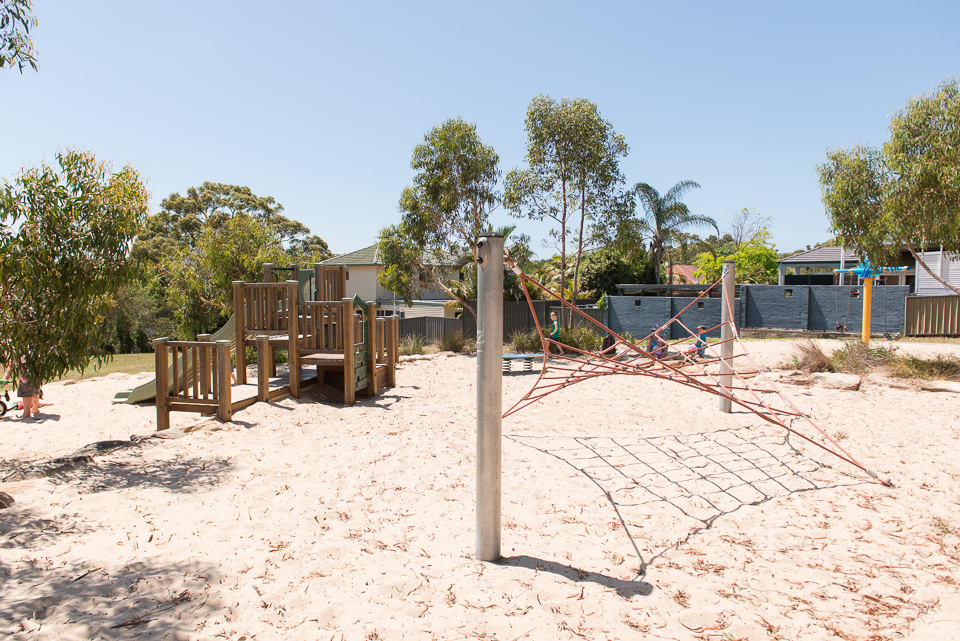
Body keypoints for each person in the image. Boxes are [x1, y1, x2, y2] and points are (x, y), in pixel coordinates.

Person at [2, 356, 40, 420]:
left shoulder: (15, 349)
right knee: (36, 389)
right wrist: (5, 378)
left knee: (26, 391)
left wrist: (5, 378)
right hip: (35, 369)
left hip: (25, 372)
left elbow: (11, 365)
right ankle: (35, 408)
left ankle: (26, 413)